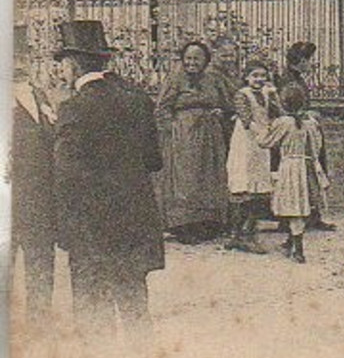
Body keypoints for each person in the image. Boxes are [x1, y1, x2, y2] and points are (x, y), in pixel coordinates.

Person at [50, 20, 164, 337]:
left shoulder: (73, 108)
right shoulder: (138, 101)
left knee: (93, 319)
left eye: (61, 65)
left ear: (72, 66)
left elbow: (66, 177)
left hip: (92, 230)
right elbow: (154, 161)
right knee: (136, 313)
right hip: (133, 225)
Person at [154, 40, 233, 244]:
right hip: (184, 135)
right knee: (186, 178)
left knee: (209, 177)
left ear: (206, 60)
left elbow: (227, 103)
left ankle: (208, 222)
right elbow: (162, 108)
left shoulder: (214, 79)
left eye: (196, 59)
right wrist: (172, 129)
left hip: (210, 136)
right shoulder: (175, 78)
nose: (191, 63)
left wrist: (220, 112)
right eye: (188, 58)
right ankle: (183, 225)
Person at [250, 88, 329, 264]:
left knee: (293, 206)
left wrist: (255, 128)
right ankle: (290, 242)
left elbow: (265, 142)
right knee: (300, 204)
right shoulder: (311, 122)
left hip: (290, 166)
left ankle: (298, 250)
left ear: (284, 105)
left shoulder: (283, 122)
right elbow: (318, 146)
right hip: (308, 166)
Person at [10, 25, 57, 322]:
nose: (17, 64)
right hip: (8, 197)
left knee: (41, 265)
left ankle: (39, 325)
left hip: (39, 197)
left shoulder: (40, 94)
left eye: (22, 56)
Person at [278, 42, 335, 231]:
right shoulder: (288, 80)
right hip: (298, 132)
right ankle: (293, 218)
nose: (311, 64)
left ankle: (312, 215)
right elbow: (288, 107)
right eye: (309, 60)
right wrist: (308, 114)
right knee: (303, 173)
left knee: (311, 171)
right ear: (301, 61)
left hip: (306, 129)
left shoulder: (296, 78)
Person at [225, 59, 279, 254]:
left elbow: (276, 112)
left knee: (257, 188)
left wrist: (274, 96)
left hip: (260, 145)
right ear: (246, 77)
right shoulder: (242, 95)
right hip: (245, 143)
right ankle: (236, 235)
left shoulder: (266, 94)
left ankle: (248, 232)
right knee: (243, 185)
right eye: (255, 76)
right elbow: (245, 117)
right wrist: (260, 132)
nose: (259, 79)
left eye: (263, 76)